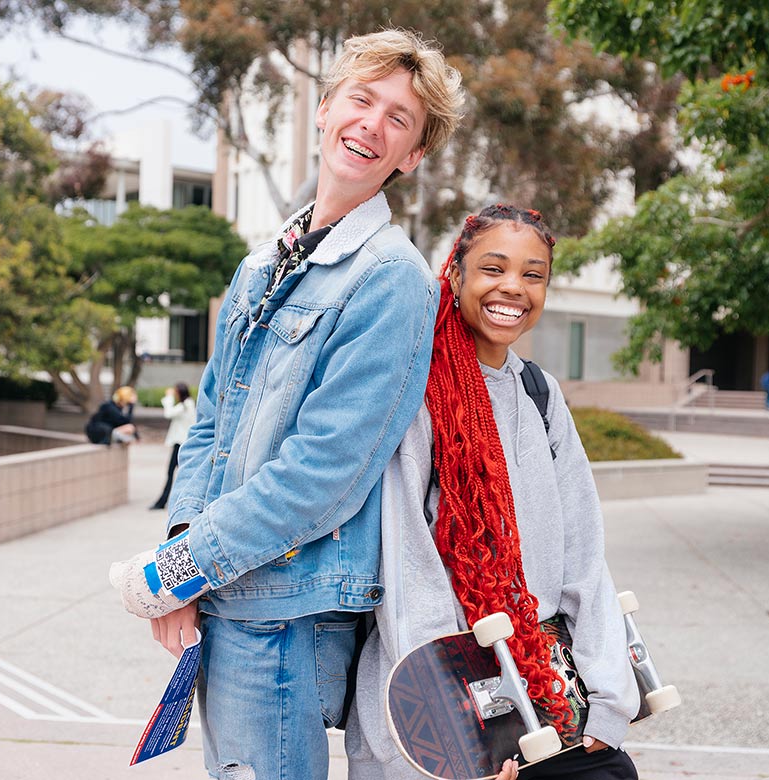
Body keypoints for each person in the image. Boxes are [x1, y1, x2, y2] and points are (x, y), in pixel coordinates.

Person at [108, 29, 465, 780]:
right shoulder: (260, 263)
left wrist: (180, 568)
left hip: (287, 609)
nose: (372, 123)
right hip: (228, 590)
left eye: (399, 119)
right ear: (328, 107)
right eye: (362, 100)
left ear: (412, 156)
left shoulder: (391, 279)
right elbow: (210, 423)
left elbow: (324, 473)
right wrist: (183, 557)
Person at [345, 205, 640, 780]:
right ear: (455, 275)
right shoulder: (415, 391)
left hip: (544, 680)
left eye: (533, 274)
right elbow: (407, 563)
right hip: (442, 697)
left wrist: (608, 697)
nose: (514, 287)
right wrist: (458, 733)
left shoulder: (539, 392)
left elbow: (583, 550)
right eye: (493, 268)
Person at [149, 382, 197, 510]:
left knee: (174, 473)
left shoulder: (186, 405)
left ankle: (165, 502)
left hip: (181, 444)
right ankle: (165, 501)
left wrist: (168, 398)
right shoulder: (187, 404)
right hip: (181, 443)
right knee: (176, 473)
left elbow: (168, 413)